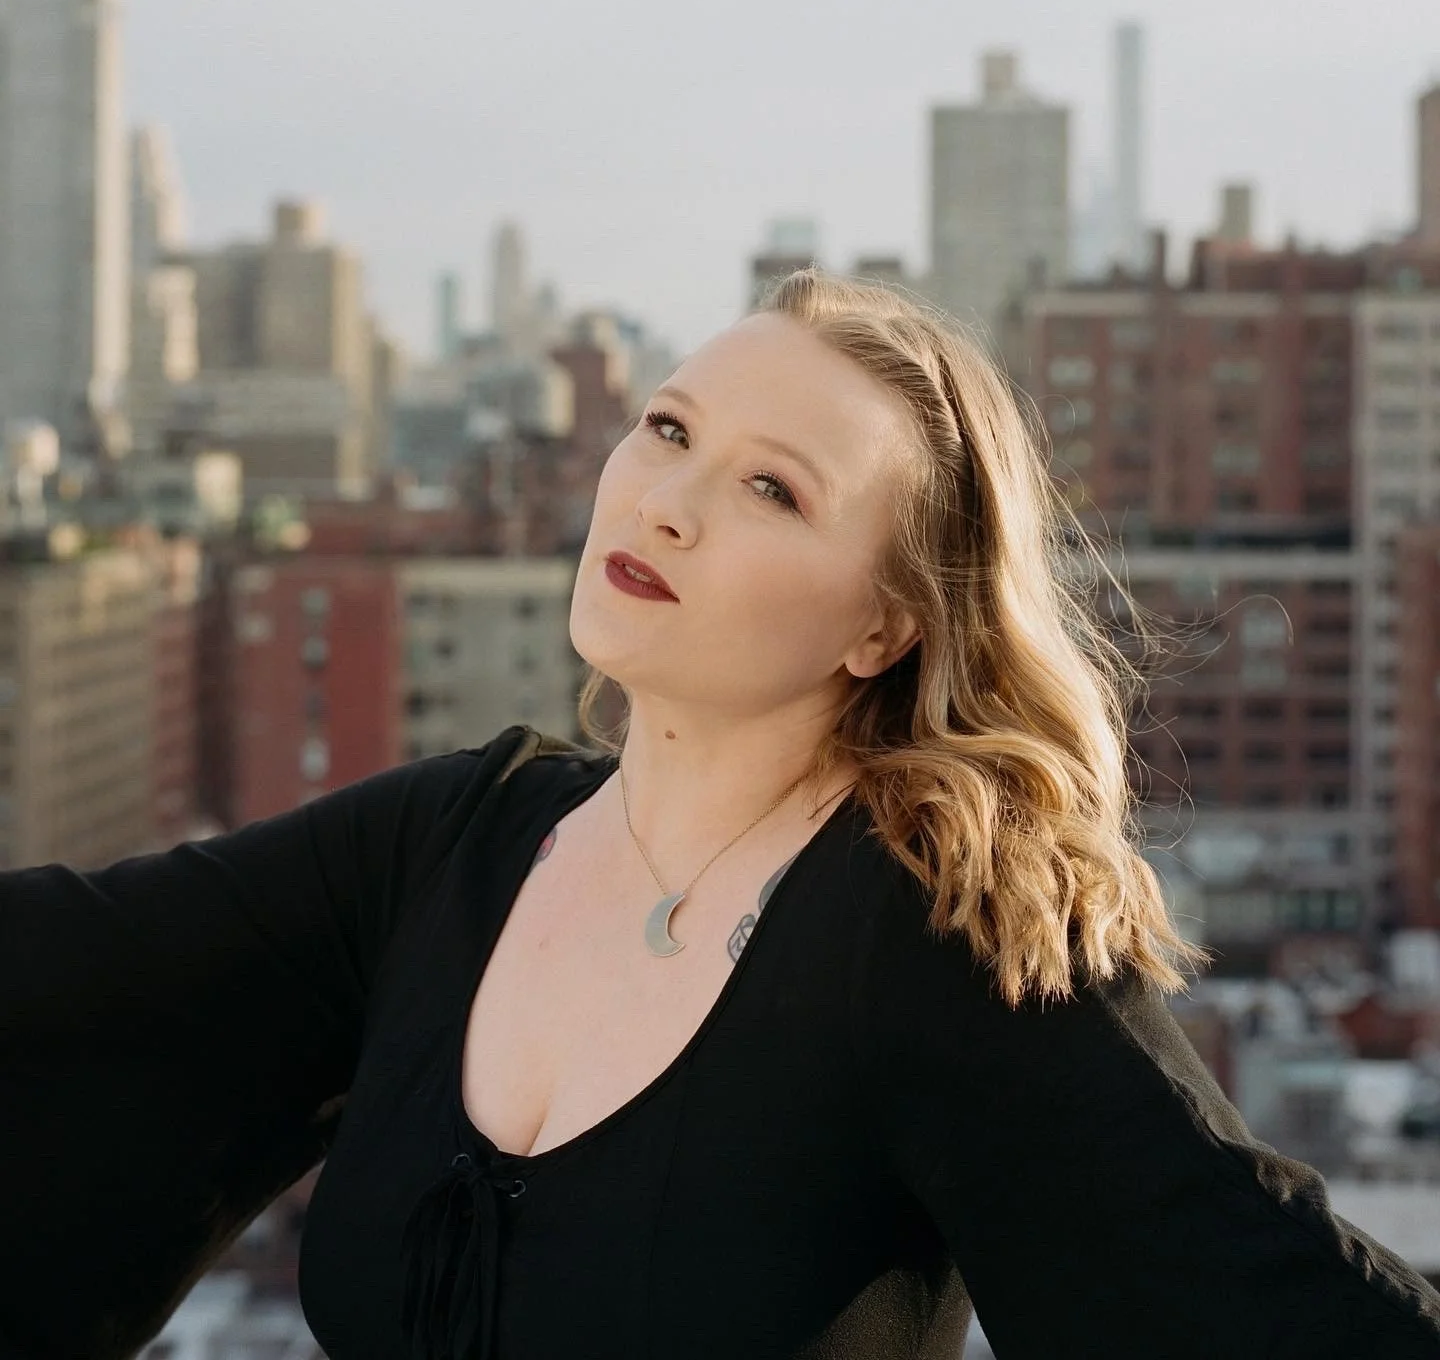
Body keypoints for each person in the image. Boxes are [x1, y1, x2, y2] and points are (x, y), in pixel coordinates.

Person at [4, 266, 1439, 1360]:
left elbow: (1260, 1295)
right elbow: (74, 971)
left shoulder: (929, 941)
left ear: (883, 625)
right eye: (668, 427)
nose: (668, 501)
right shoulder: (450, 843)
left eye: (770, 488)